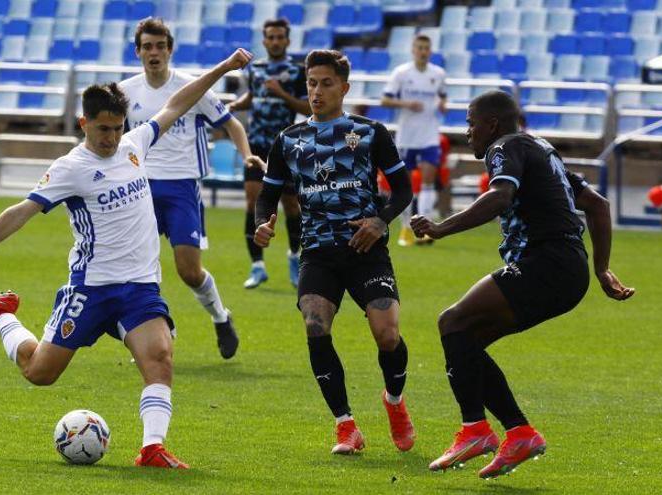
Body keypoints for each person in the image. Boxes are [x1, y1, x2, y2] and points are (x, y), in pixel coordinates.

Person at [0, 48, 254, 469]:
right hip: (90, 287)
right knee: (40, 372)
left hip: (139, 287)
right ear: (83, 124)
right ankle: (1, 314)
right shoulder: (70, 168)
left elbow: (178, 102)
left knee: (160, 358)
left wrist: (223, 68)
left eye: (116, 128)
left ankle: (152, 449)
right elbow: (21, 211)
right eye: (103, 130)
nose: (110, 138)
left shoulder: (134, 144)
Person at [411, 90, 635, 479]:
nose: (468, 133)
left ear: (491, 124)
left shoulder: (505, 145)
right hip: (569, 270)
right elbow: (597, 204)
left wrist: (441, 228)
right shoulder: (541, 149)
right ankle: (518, 433)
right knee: (465, 342)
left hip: (544, 262)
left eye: (470, 123)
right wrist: (601, 269)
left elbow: (500, 197)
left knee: (451, 322)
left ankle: (476, 430)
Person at [251, 50, 416, 455]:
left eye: (326, 83)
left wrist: (380, 223)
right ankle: (346, 426)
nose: (316, 91)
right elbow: (267, 196)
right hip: (319, 252)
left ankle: (394, 402)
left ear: (344, 87)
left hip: (366, 249)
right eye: (311, 83)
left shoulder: (371, 132)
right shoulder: (288, 140)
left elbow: (404, 191)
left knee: (387, 335)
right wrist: (263, 221)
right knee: (315, 326)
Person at [119, 18, 245, 359]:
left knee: (188, 271)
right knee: (135, 268)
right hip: (139, 187)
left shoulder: (192, 88)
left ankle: (220, 316)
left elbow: (232, 124)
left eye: (160, 46)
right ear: (138, 52)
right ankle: (156, 331)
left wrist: (248, 157)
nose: (154, 52)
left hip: (181, 186)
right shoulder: (125, 92)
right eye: (147, 46)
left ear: (170, 49)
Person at [227, 18, 311, 288]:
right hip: (257, 144)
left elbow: (308, 108)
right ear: (264, 41)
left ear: (287, 40)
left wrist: (282, 93)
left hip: (287, 146)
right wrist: (234, 105)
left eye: (279, 37)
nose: (275, 41)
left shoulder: (297, 72)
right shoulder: (256, 68)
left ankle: (294, 257)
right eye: (270, 37)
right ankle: (257, 266)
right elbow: (252, 97)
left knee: (291, 205)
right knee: (253, 201)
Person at [381, 34, 446, 246]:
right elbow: (385, 99)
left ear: (431, 50)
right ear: (413, 49)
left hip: (429, 135)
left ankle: (426, 229)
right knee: (405, 184)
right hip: (407, 136)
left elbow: (443, 95)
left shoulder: (438, 74)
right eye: (419, 47)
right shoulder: (401, 73)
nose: (423, 51)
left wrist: (442, 103)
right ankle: (407, 228)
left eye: (426, 48)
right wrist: (406, 104)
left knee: (428, 180)